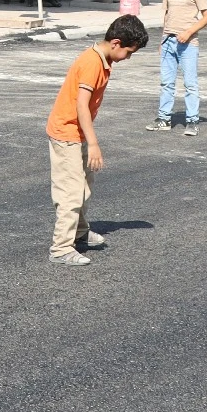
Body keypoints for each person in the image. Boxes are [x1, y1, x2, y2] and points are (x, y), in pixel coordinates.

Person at [47, 15, 149, 266]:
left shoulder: (102, 59)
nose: (128, 57)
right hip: (67, 133)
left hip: (77, 132)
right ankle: (61, 248)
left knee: (83, 186)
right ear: (116, 43)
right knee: (70, 191)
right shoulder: (92, 63)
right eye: (129, 52)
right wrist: (93, 143)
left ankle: (79, 233)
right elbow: (81, 104)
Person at [150, 0, 207, 133]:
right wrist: (162, 40)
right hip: (168, 41)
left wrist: (189, 32)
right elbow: (167, 15)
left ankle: (192, 121)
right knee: (166, 82)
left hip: (188, 44)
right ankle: (164, 119)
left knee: (190, 84)